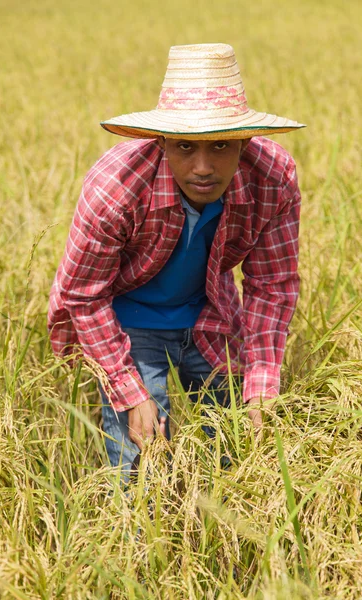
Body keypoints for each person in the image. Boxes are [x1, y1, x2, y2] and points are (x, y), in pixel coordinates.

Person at [48, 43, 305, 481]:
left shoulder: (272, 176)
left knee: (236, 444)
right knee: (140, 459)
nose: (203, 167)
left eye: (221, 145)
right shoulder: (117, 189)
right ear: (161, 141)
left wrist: (262, 388)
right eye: (185, 146)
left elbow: (272, 285)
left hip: (209, 312)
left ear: (245, 141)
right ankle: (134, 539)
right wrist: (130, 393)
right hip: (123, 319)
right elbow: (83, 296)